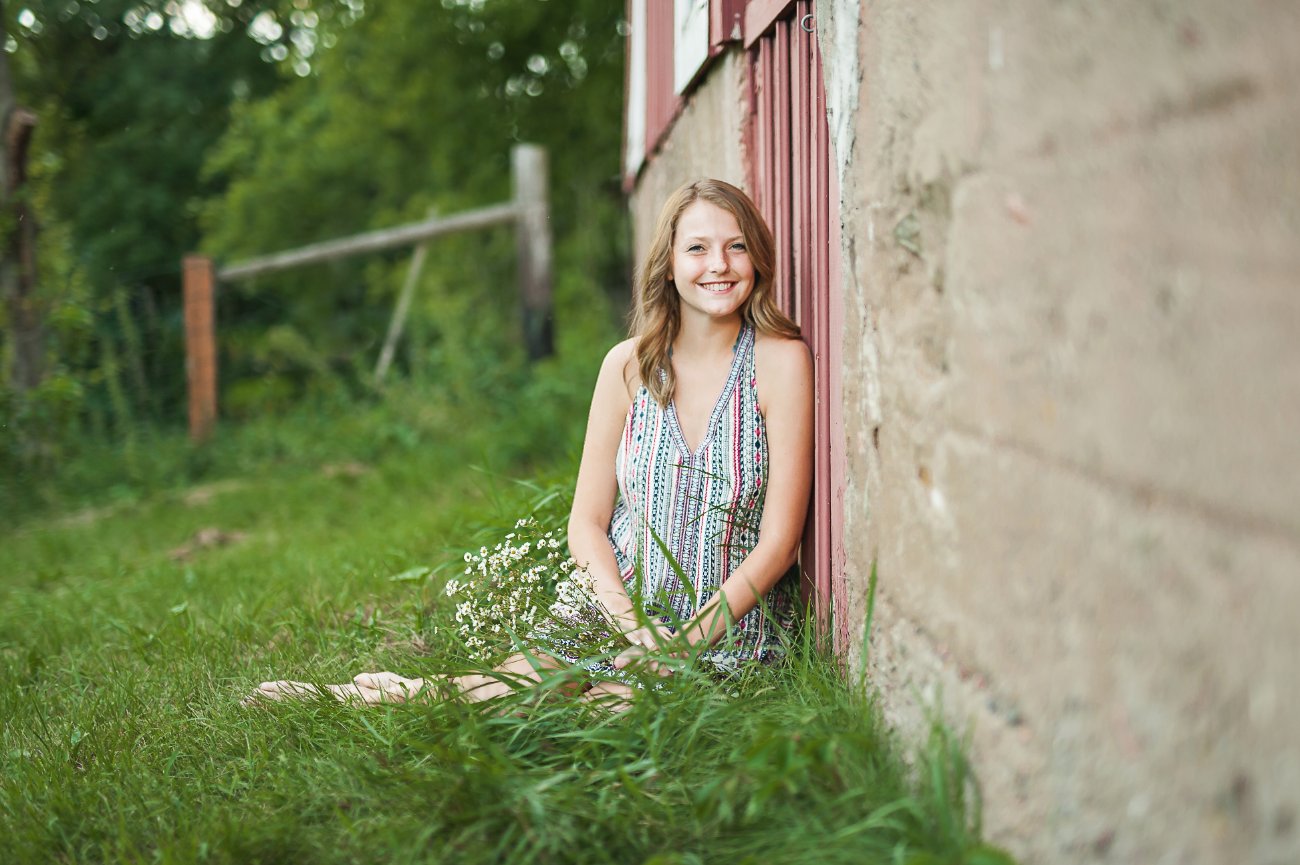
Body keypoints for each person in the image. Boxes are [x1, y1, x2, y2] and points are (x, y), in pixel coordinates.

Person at [246, 179, 813, 708]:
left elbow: (780, 543)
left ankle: (421, 692)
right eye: (697, 249)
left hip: (727, 629)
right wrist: (631, 623)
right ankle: (372, 695)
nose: (719, 265)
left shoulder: (779, 362)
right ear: (667, 265)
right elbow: (587, 522)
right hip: (620, 608)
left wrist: (681, 644)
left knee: (609, 713)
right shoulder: (629, 367)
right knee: (511, 695)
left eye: (736, 247)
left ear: (757, 258)